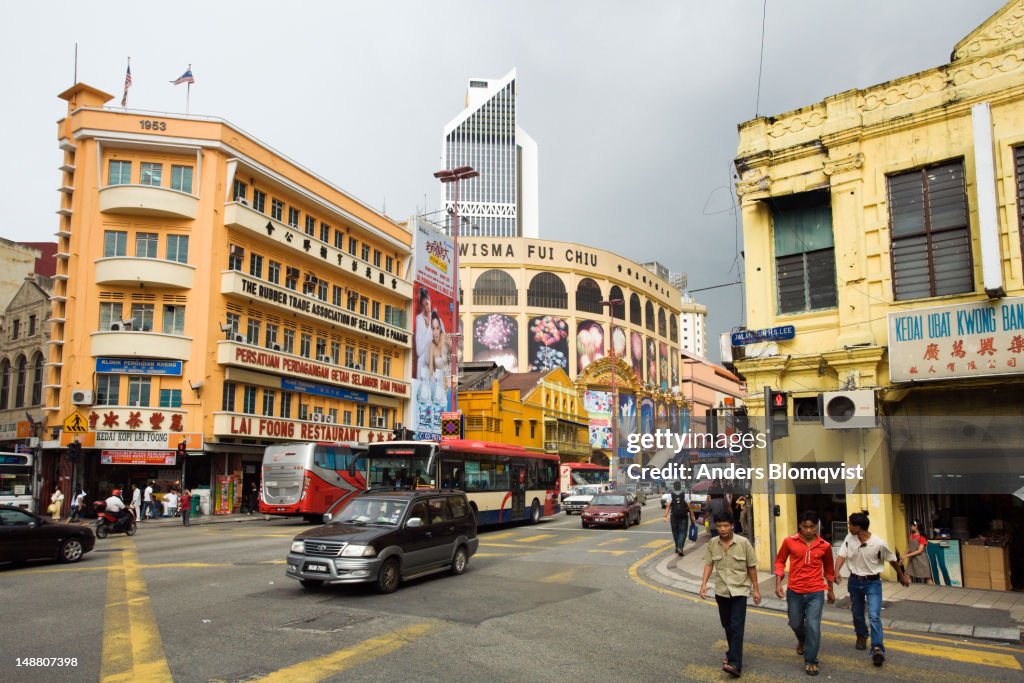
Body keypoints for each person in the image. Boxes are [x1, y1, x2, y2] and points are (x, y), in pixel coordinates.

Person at [834, 512, 910, 668]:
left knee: (874, 615)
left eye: (850, 524)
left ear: (858, 527)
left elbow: (892, 560)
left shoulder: (878, 543)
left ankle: (877, 648)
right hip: (855, 581)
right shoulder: (850, 539)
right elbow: (842, 555)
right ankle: (861, 635)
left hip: (873, 583)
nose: (848, 527)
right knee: (857, 612)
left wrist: (901, 576)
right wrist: (836, 572)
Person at [774, 510, 836, 677]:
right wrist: (778, 582)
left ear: (817, 526)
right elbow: (780, 561)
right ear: (799, 526)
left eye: (812, 527)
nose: (809, 530)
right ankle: (802, 640)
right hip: (795, 590)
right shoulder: (789, 542)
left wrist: (830, 590)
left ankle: (811, 661)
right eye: (805, 526)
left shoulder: (825, 545)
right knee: (795, 623)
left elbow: (829, 569)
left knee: (813, 625)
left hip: (816, 591)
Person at [700, 513, 761, 678]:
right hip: (721, 591)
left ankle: (735, 664)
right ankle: (732, 651)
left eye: (726, 525)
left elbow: (752, 567)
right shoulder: (713, 543)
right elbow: (708, 564)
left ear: (732, 525)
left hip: (740, 590)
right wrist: (704, 584)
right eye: (719, 526)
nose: (723, 529)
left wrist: (756, 589)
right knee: (727, 625)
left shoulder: (743, 543)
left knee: (736, 626)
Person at [663, 481, 695, 555]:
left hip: (674, 516)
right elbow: (690, 507)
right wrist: (693, 517)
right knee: (683, 532)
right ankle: (680, 547)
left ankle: (677, 547)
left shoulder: (670, 496)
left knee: (675, 532)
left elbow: (668, 506)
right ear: (680, 487)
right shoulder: (685, 495)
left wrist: (665, 516)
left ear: (674, 487)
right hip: (683, 516)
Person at [903, 520, 933, 584]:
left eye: (912, 525)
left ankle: (933, 590)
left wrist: (907, 555)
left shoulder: (922, 537)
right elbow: (908, 547)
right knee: (907, 575)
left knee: (927, 577)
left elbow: (920, 550)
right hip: (913, 559)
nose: (911, 527)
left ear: (916, 526)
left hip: (922, 559)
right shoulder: (911, 536)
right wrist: (903, 556)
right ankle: (909, 590)